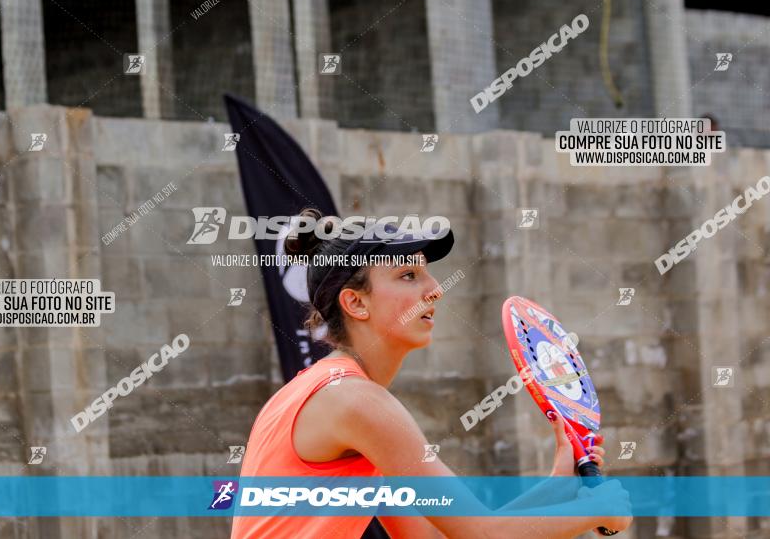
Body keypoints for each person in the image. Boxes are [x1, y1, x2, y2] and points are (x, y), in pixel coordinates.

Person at [230, 209, 632, 538]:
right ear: (355, 303)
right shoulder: (353, 401)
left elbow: (445, 537)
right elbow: (481, 536)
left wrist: (557, 487)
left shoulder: (335, 397)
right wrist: (594, 510)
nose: (436, 289)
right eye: (408, 275)